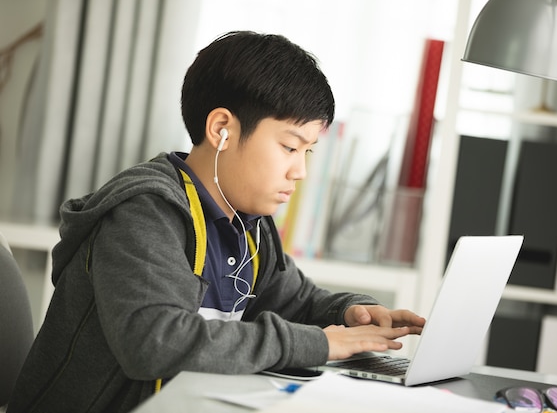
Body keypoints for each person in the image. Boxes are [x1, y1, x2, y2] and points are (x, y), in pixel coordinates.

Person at [7, 31, 425, 413]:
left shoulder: (248, 224)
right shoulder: (145, 212)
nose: (299, 172)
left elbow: (295, 301)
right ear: (222, 129)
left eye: (307, 152)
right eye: (288, 147)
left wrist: (352, 312)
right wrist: (318, 343)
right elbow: (156, 342)